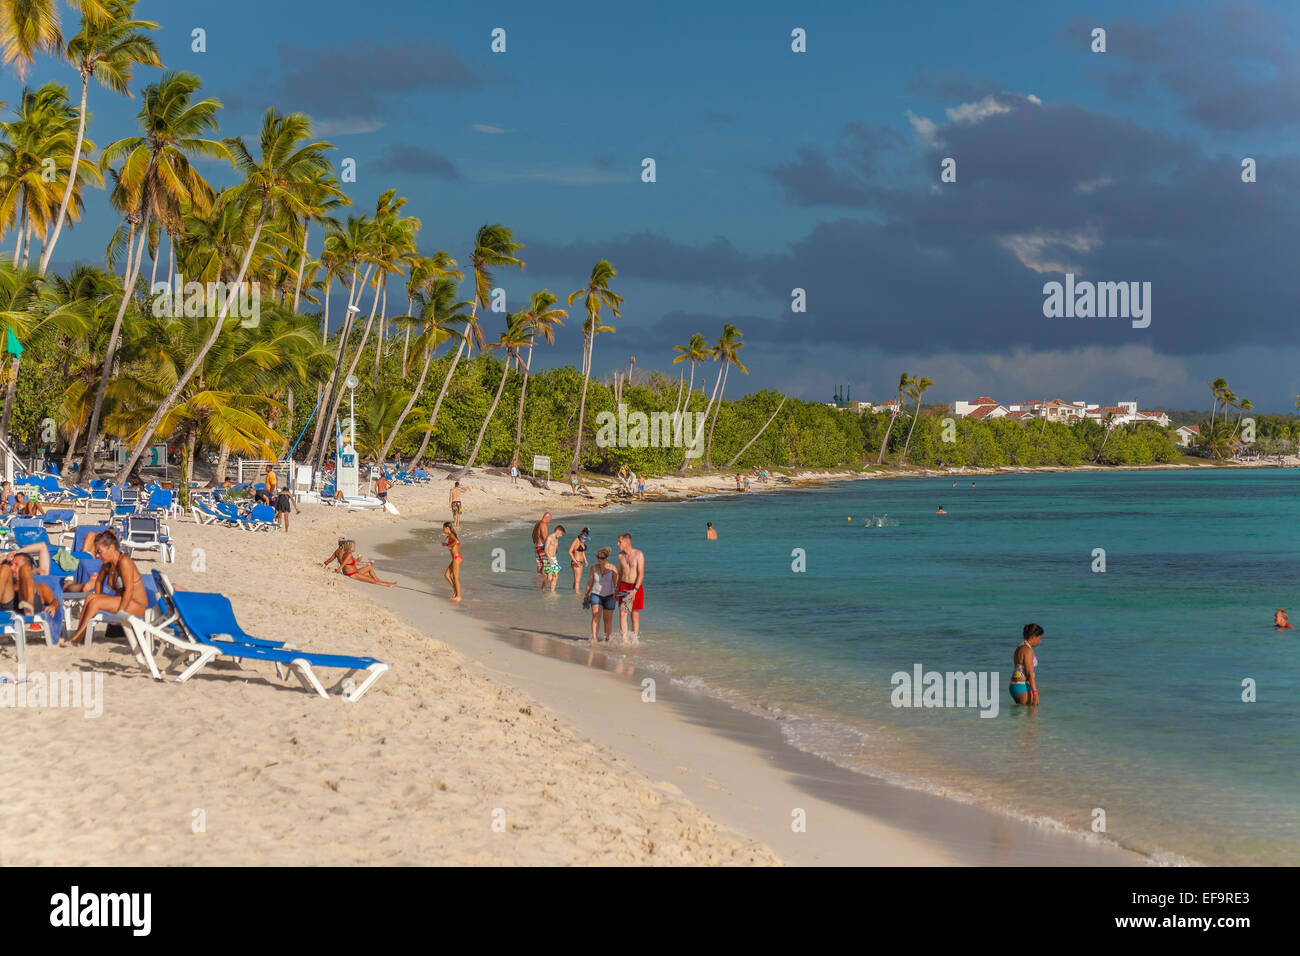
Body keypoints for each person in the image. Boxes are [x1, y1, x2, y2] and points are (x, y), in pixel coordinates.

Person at [65, 529, 147, 646]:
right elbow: (99, 581)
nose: (97, 555)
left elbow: (129, 589)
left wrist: (121, 612)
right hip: (124, 600)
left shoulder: (124, 562)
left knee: (95, 603)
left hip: (136, 604)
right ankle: (80, 636)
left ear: (111, 548)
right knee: (90, 598)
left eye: (99, 552)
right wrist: (98, 596)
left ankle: (78, 637)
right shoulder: (108, 563)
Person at [323, 539, 394, 587]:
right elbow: (344, 563)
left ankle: (380, 581)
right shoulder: (348, 554)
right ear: (349, 547)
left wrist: (365, 563)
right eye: (354, 546)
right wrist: (338, 570)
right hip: (352, 573)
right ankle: (387, 584)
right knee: (371, 580)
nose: (355, 547)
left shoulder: (344, 552)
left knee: (369, 571)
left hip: (353, 571)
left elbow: (350, 562)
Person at [616, 532, 645, 644]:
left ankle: (634, 640)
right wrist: (616, 588)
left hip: (635, 587)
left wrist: (635, 590)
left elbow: (641, 574)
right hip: (624, 586)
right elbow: (619, 573)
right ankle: (624, 640)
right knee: (623, 613)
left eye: (620, 541)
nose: (618, 543)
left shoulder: (638, 554)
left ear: (626, 542)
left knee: (634, 615)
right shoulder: (620, 556)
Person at [584, 546, 618, 642]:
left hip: (609, 596)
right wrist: (586, 595)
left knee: (607, 620)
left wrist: (617, 594)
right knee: (595, 616)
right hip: (596, 595)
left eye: (602, 558)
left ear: (606, 558)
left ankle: (607, 639)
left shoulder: (613, 568)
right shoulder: (593, 568)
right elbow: (589, 583)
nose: (599, 560)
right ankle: (594, 638)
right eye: (598, 557)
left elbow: (616, 584)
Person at [1010, 623, 1043, 705]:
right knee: (1030, 715)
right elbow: (1029, 673)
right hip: (1022, 686)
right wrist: (1035, 693)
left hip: (1016, 685)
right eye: (1039, 638)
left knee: (1022, 715)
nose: (1040, 641)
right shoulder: (1028, 651)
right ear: (1033, 637)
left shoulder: (1019, 647)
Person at [541, 525, 566, 592]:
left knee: (555, 577)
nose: (561, 535)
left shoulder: (556, 539)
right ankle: (543, 587)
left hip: (554, 559)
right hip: (547, 558)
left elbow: (554, 551)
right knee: (549, 578)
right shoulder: (549, 538)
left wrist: (555, 561)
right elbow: (546, 550)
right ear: (557, 531)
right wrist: (550, 559)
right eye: (561, 534)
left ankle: (552, 592)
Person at [442, 522, 462, 602]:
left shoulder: (451, 535)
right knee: (447, 575)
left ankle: (459, 596)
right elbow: (454, 543)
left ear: (447, 528)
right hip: (455, 558)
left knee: (455, 577)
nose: (443, 530)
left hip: (456, 558)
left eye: (444, 528)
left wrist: (447, 545)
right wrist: (446, 544)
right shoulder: (450, 535)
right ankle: (455, 591)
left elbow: (456, 542)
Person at [568, 527, 589, 594]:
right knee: (577, 581)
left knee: (577, 580)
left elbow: (582, 551)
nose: (583, 540)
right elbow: (570, 552)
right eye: (582, 538)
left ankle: (574, 594)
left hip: (581, 562)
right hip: (576, 562)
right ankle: (577, 595)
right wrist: (575, 561)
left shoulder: (581, 541)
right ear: (580, 535)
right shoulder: (576, 540)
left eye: (585, 539)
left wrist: (585, 560)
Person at [532, 511, 552, 577]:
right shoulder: (543, 524)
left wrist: (536, 543)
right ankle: (543, 579)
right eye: (549, 519)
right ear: (547, 517)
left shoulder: (537, 524)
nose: (549, 521)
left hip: (537, 546)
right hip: (541, 546)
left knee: (540, 565)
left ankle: (538, 579)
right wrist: (549, 546)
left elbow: (533, 535)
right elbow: (544, 537)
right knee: (545, 564)